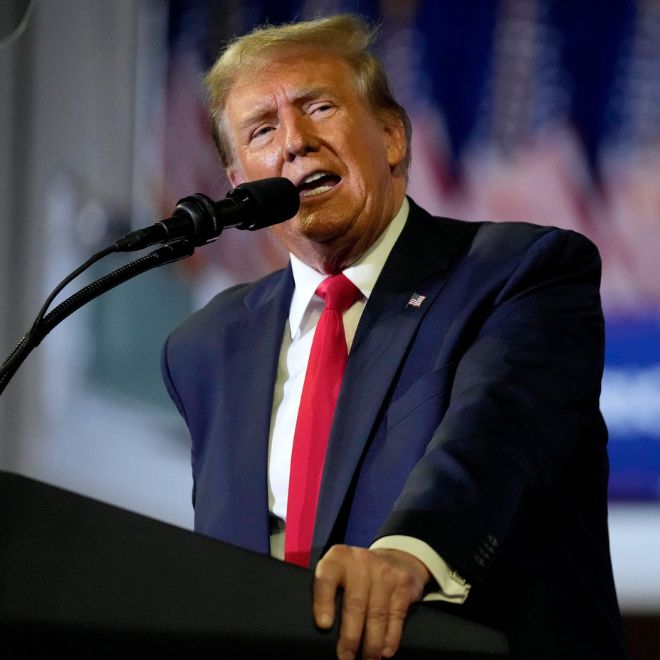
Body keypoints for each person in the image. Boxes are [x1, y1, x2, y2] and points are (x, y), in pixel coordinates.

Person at [161, 14, 627, 660]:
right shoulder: (204, 349)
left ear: (392, 137)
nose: (294, 143)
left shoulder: (521, 275)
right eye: (262, 131)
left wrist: (407, 555)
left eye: (318, 107)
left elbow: (490, 443)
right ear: (241, 186)